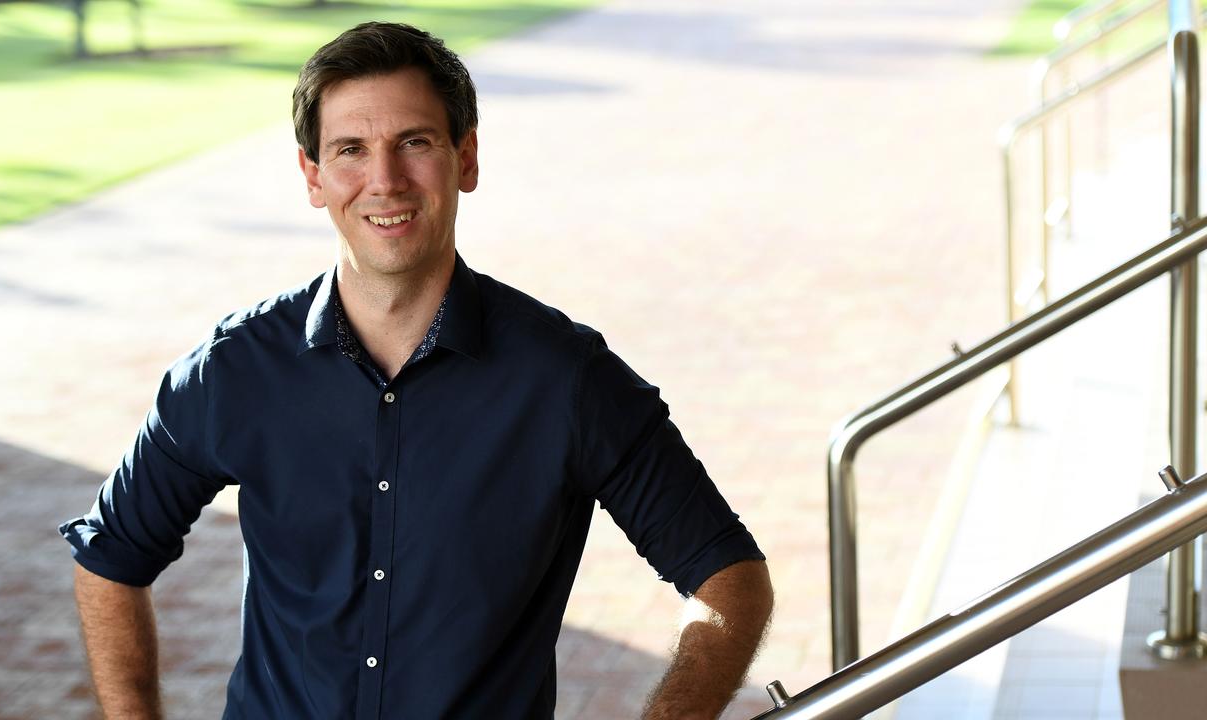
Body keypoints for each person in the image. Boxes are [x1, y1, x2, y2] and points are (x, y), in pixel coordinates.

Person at [60, 21, 773, 720]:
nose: (385, 180)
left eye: (415, 143)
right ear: (313, 176)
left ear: (465, 158)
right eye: (350, 150)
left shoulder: (566, 381)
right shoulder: (236, 372)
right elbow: (110, 556)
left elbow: (728, 577)